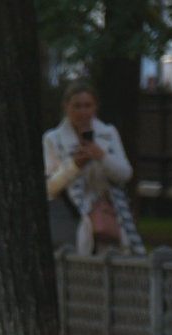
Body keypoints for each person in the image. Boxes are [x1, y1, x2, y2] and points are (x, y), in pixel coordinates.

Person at [44, 83, 139, 255]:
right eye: (77, 106)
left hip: (108, 214)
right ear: (66, 107)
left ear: (96, 107)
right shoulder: (53, 139)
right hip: (71, 219)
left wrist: (102, 157)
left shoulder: (108, 133)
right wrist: (75, 166)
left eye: (88, 105)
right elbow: (49, 188)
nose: (83, 112)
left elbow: (125, 174)